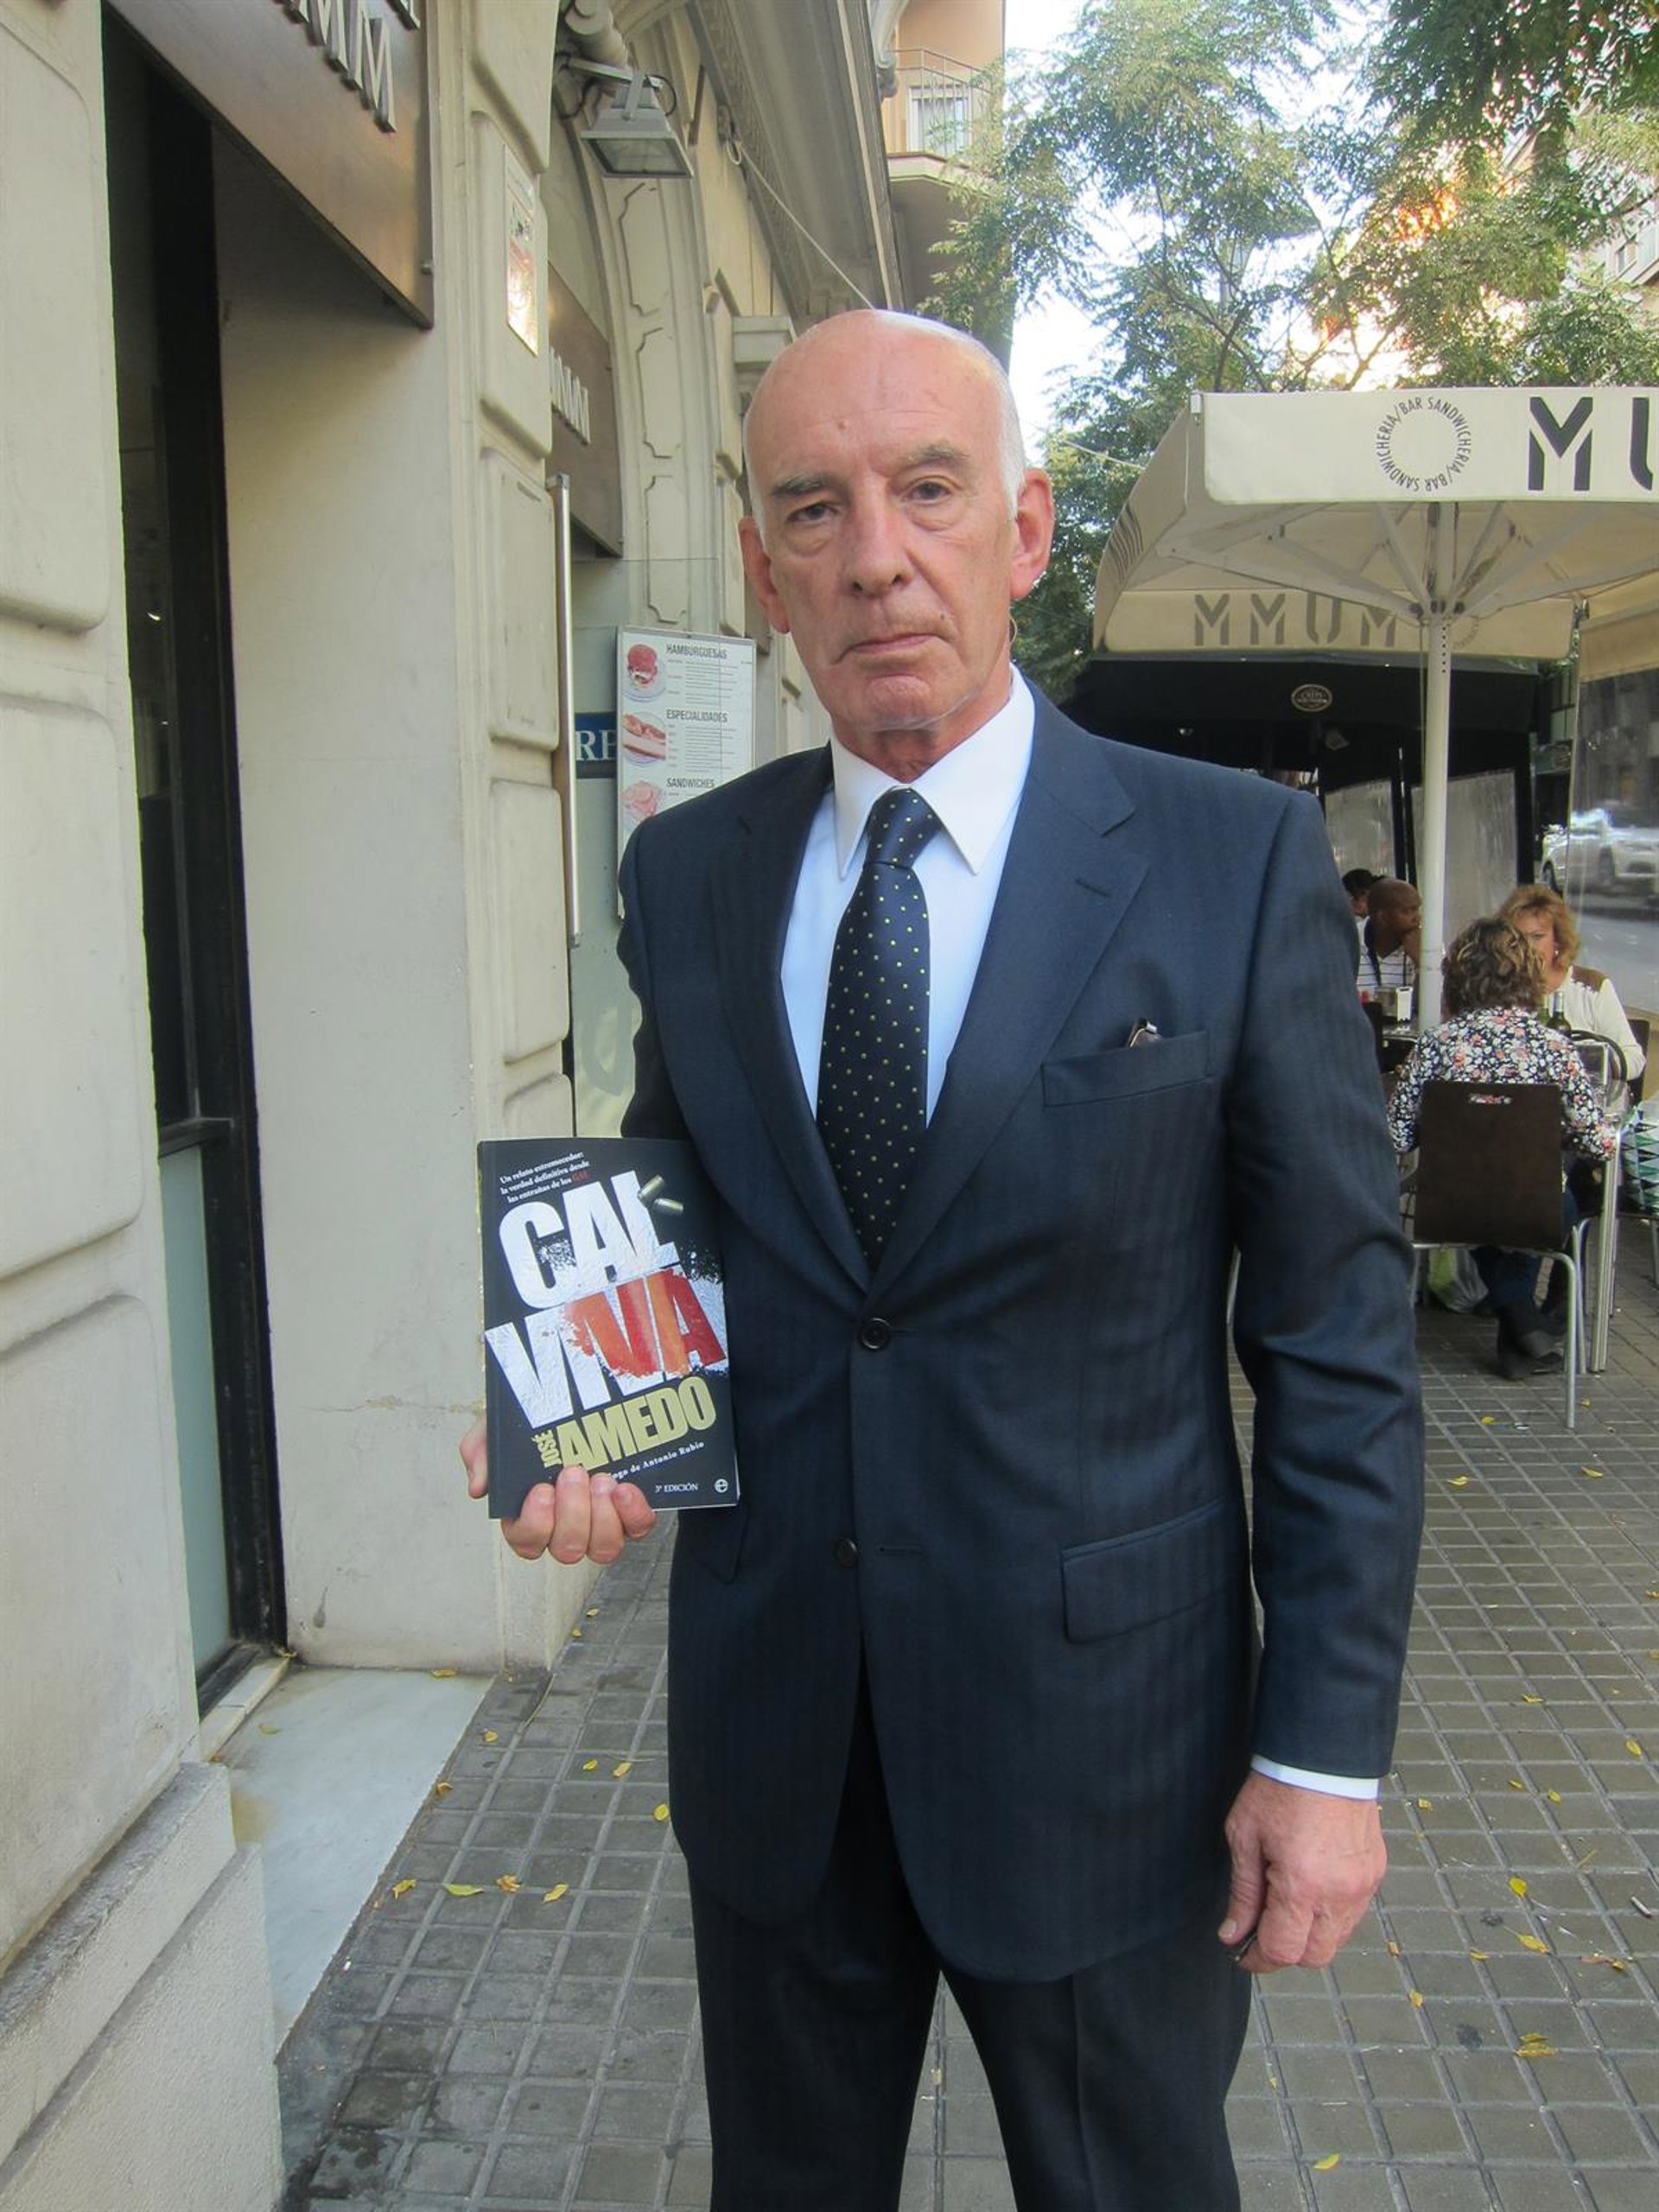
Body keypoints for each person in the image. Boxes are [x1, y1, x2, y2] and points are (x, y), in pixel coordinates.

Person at [461, 311, 1423, 2212]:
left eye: (927, 490)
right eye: (814, 509)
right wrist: (569, 1410)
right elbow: (682, 1211)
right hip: (779, 1738)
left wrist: (1325, 1755)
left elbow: (1336, 1340)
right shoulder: (691, 874)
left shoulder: (1229, 861)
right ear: (766, 572)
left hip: (1109, 1757)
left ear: (1027, 528)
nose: (875, 557)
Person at [1387, 916, 1618, 1381]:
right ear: (1528, 975)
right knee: (1551, 1199)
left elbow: (1395, 1136)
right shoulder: (1555, 1048)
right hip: (1534, 1209)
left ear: (1458, 977)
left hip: (1447, 1207)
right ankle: (1522, 1320)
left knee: (1485, 1212)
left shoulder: (1434, 1046)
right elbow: (1598, 1143)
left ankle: (1519, 1329)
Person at [1499, 883, 1646, 1089]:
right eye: (1519, 938)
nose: (1527, 947)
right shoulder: (1499, 989)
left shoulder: (1592, 987)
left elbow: (1634, 1059)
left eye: (1537, 937)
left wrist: (1591, 1065)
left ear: (1558, 941)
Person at [1357, 878, 1421, 996]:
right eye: (1408, 911)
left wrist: (1421, 962)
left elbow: (1437, 1001)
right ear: (1382, 917)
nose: (1417, 918)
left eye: (1417, 909)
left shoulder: (1427, 944)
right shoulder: (1349, 942)